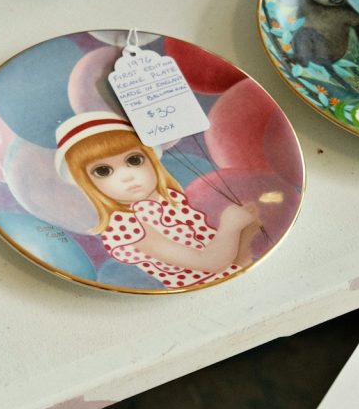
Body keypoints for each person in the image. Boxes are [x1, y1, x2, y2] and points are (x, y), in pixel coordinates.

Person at [55, 111, 260, 290]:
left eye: (134, 160)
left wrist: (246, 231)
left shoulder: (167, 201)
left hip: (236, 280)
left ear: (151, 159)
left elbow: (229, 259)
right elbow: (209, 263)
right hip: (205, 292)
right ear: (87, 183)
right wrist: (230, 227)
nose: (127, 176)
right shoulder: (128, 226)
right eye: (103, 171)